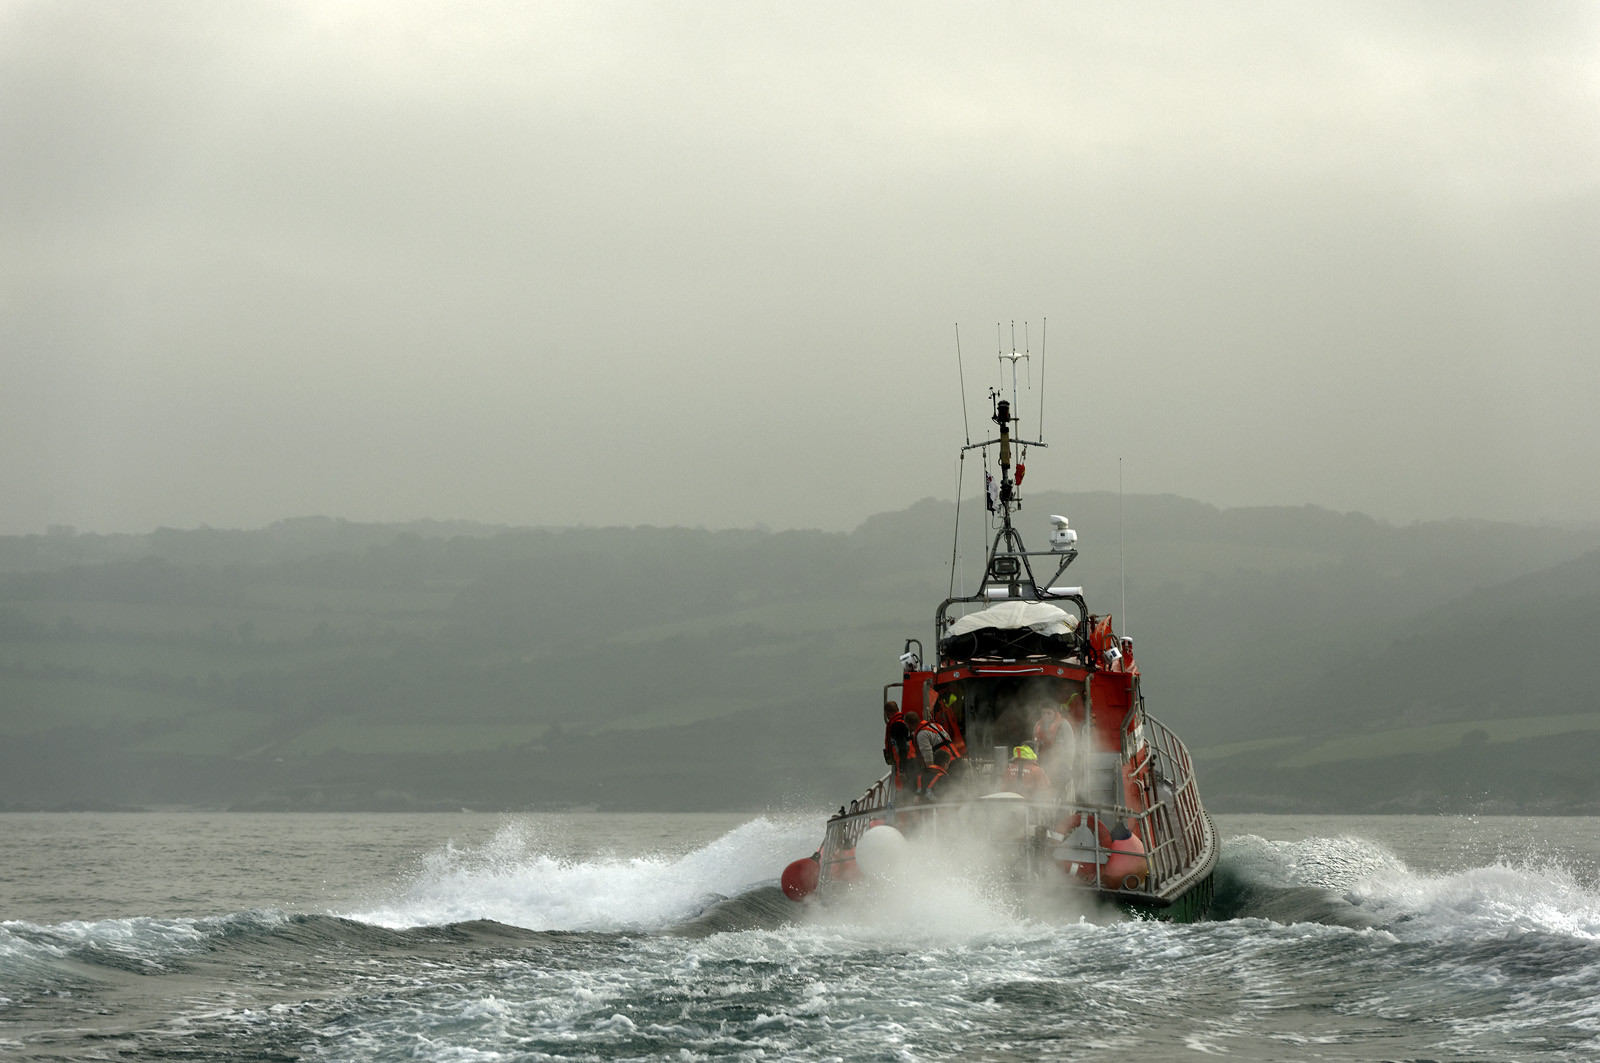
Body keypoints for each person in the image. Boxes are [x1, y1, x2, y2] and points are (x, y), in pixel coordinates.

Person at [914, 713, 955, 797]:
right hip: (954, 757)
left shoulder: (922, 734)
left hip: (945, 760)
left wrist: (930, 771)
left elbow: (927, 752)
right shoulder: (936, 726)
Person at [884, 707, 921, 792]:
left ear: (888, 713)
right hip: (912, 759)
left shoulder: (897, 726)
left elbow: (902, 748)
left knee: (906, 789)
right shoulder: (904, 723)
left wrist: (902, 769)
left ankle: (904, 801)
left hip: (905, 762)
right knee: (913, 785)